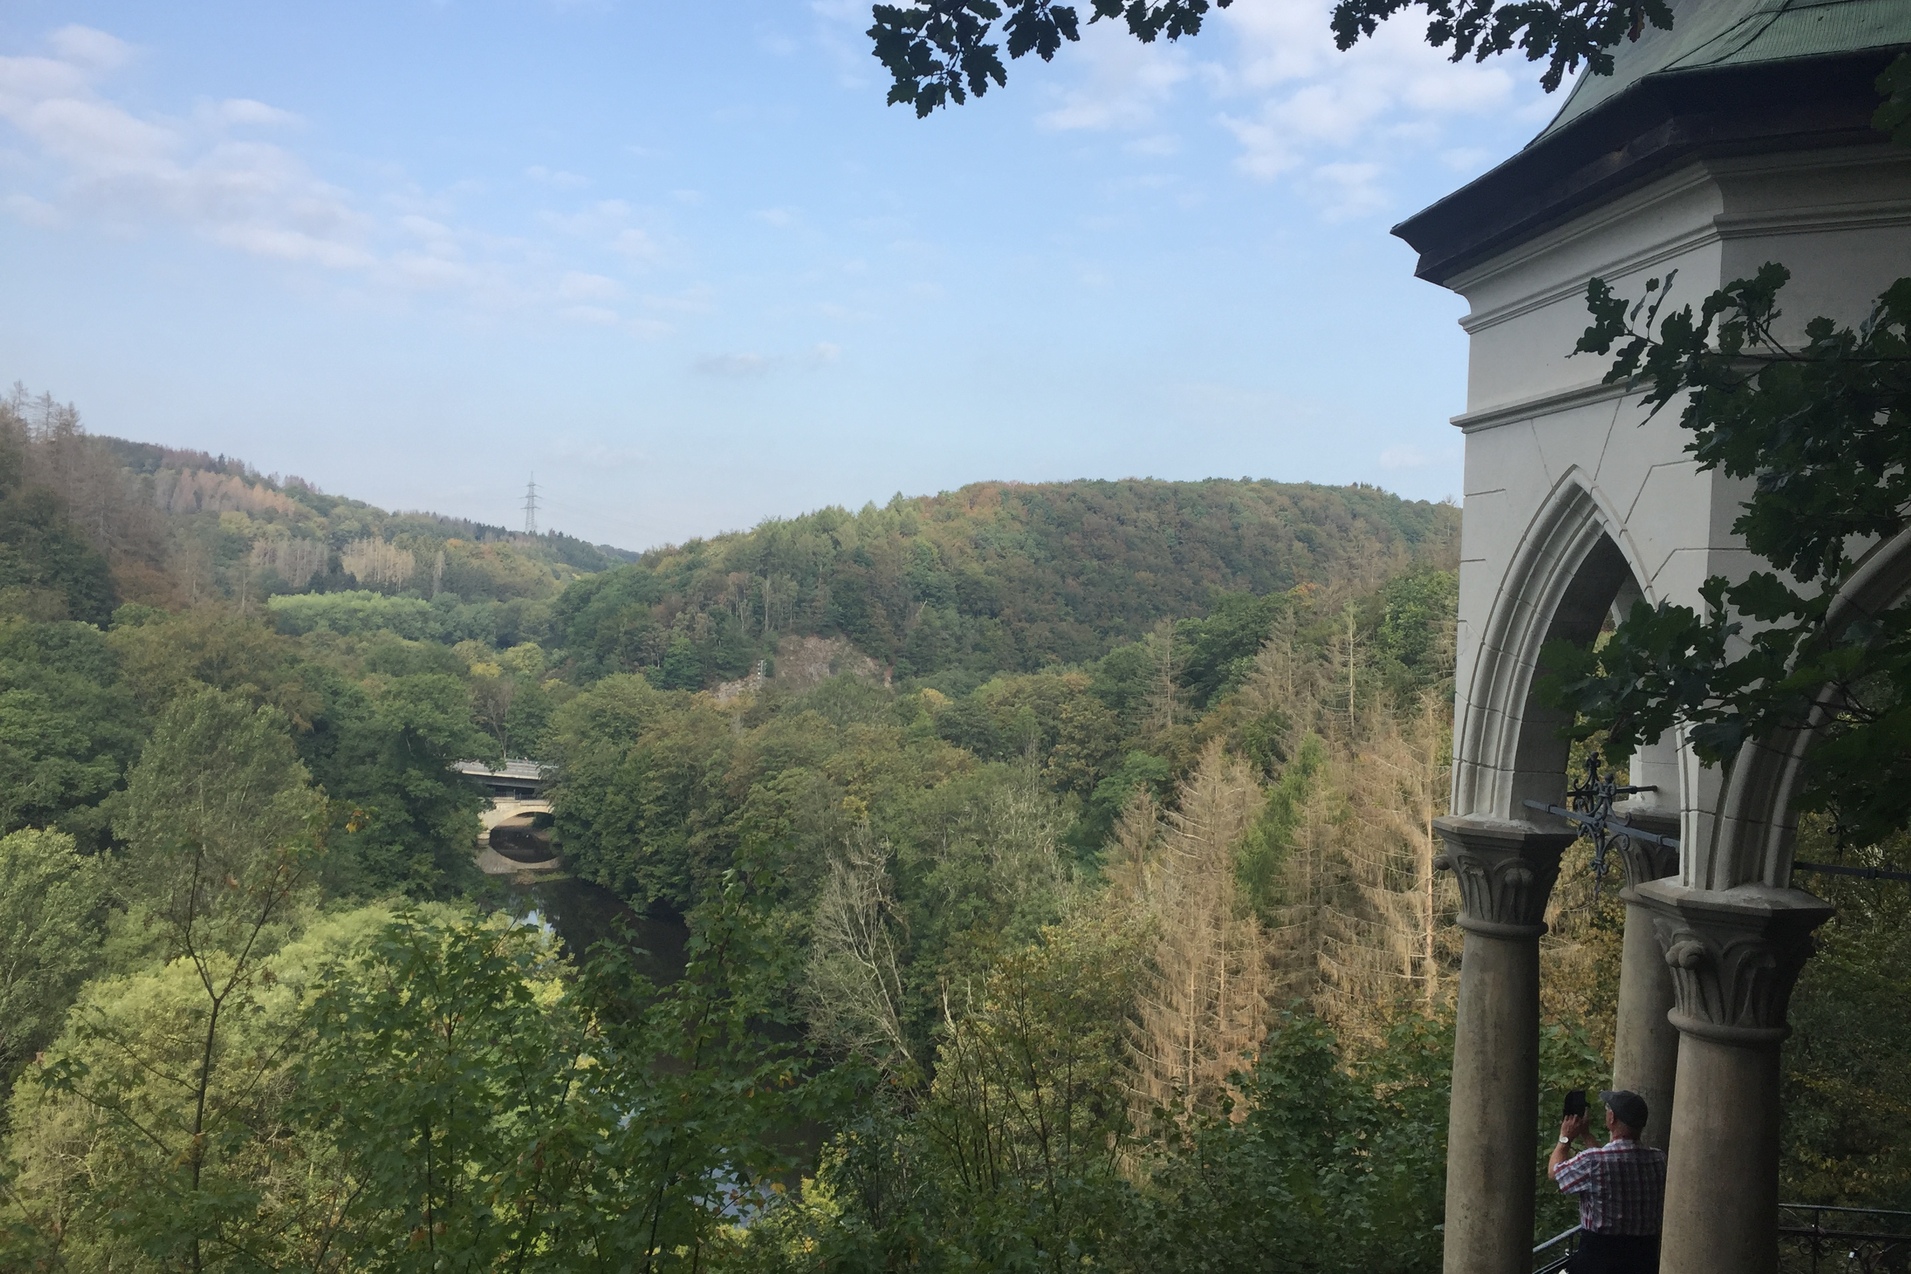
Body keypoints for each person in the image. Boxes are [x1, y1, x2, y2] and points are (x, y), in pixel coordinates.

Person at [1547, 1089, 1667, 1273]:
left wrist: (1565, 1138)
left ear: (1612, 1118)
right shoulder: (1659, 1160)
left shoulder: (1593, 1161)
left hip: (1598, 1263)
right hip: (1643, 1263)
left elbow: (1555, 1173)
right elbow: (1610, 1163)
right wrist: (1587, 1135)